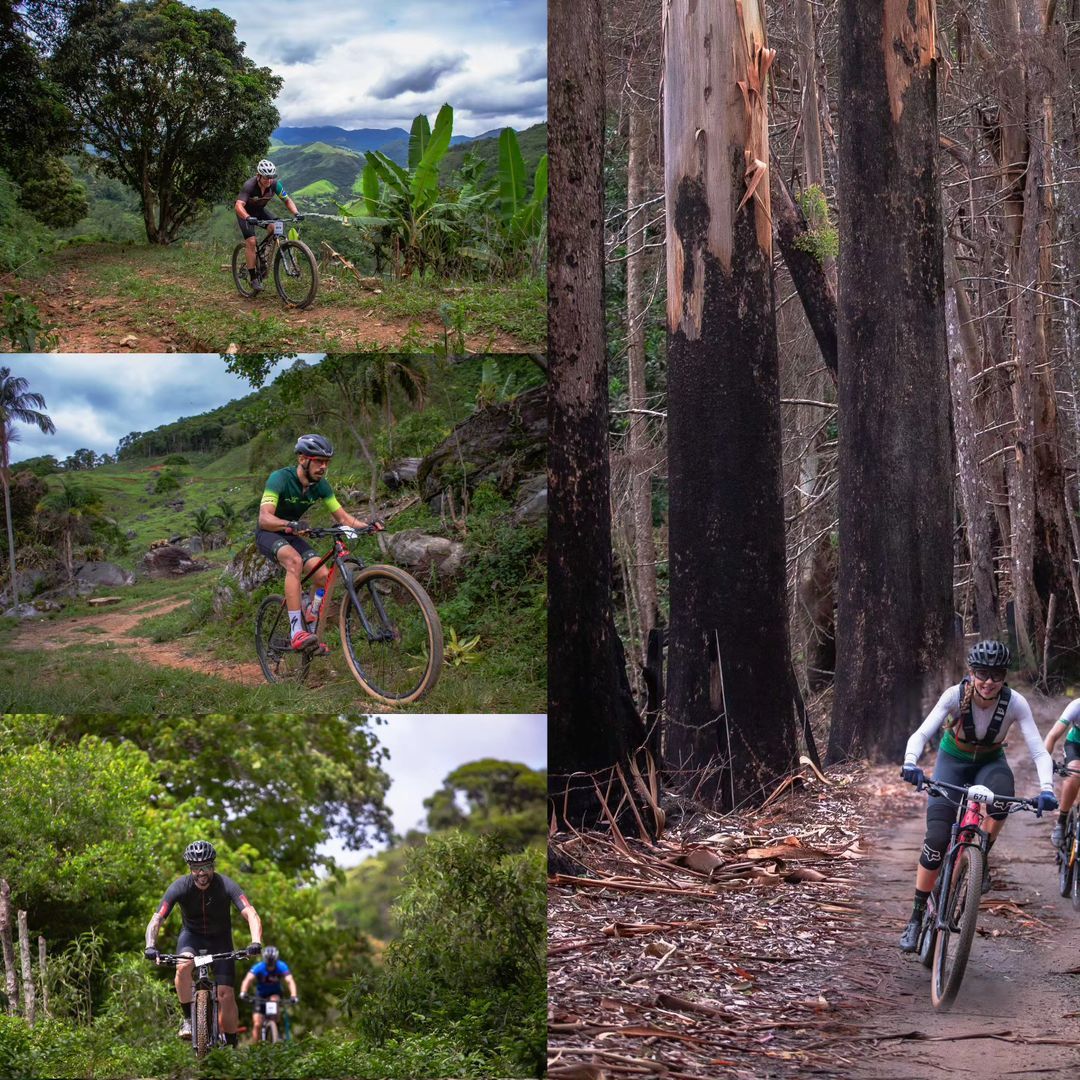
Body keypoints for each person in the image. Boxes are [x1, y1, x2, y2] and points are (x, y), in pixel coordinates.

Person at [897, 640, 1057, 952]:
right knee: (937, 839)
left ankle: (981, 855)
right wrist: (910, 762)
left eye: (996, 674)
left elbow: (1038, 750)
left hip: (989, 763)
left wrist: (1047, 788)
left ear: (1004, 676)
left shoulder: (1015, 703)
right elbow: (921, 733)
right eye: (982, 673)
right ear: (971, 673)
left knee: (1002, 798)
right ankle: (915, 918)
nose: (988, 681)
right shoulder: (954, 696)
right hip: (952, 762)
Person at [256, 434, 383, 651]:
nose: (323, 467)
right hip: (269, 533)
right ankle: (296, 632)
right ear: (302, 459)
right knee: (294, 562)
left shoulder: (321, 486)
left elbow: (343, 518)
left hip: (292, 534)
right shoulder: (280, 478)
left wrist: (366, 526)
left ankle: (312, 616)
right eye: (318, 461)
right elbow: (264, 518)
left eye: (326, 462)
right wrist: (290, 524)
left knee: (323, 576)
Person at [143, 840, 263, 1045]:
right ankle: (188, 1019)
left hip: (221, 940)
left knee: (225, 994)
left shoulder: (226, 885)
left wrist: (255, 941)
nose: (201, 873)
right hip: (192, 937)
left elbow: (250, 913)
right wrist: (150, 945)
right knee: (183, 967)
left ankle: (232, 1044)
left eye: (206, 867)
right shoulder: (179, 886)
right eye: (196, 868)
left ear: (213, 866)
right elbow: (157, 919)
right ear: (190, 868)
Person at [234, 159, 303, 292]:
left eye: (272, 177)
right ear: (258, 175)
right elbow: (238, 206)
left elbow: (287, 200)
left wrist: (296, 213)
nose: (269, 180)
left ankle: (264, 256)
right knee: (252, 242)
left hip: (259, 212)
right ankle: (253, 278)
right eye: (266, 177)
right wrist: (248, 217)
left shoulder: (275, 185)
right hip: (245, 214)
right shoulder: (249, 185)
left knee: (277, 227)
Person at [239, 945, 299, 1042]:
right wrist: (243, 992)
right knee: (257, 1023)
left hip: (274, 993)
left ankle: (274, 1031)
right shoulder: (259, 967)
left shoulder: (281, 966)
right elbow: (248, 980)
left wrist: (293, 995)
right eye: (268, 963)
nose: (270, 966)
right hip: (260, 996)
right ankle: (256, 1047)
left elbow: (290, 981)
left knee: (274, 1002)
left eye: (272, 963)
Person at [1043, 698, 1080, 847]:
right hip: (1076, 746)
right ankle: (1062, 821)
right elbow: (1052, 736)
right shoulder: (1077, 705)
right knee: (1075, 772)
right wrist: (1045, 762)